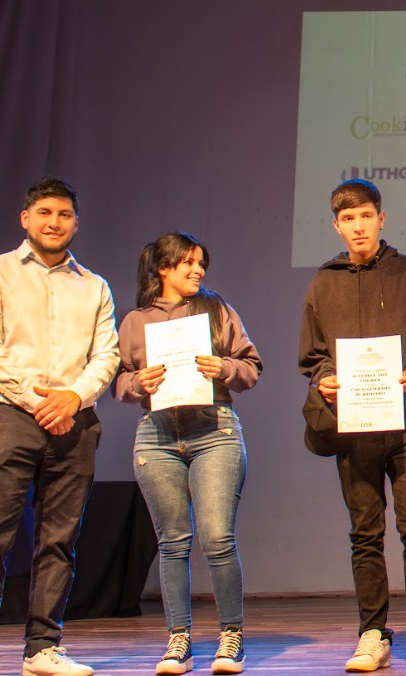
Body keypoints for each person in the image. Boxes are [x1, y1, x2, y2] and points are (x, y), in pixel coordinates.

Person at [0, 177, 119, 676]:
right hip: (9, 415)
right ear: (25, 218)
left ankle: (42, 648)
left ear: (76, 223)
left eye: (64, 214)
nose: (54, 222)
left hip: (75, 421)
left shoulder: (94, 286)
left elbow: (107, 355)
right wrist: (38, 401)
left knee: (59, 540)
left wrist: (72, 398)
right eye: (45, 212)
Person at [298, 179, 406, 672]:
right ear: (336, 226)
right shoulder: (324, 283)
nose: (358, 226)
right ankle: (372, 634)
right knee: (365, 534)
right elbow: (313, 355)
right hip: (355, 426)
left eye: (366, 216)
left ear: (381, 218)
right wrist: (325, 378)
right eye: (348, 219)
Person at [113, 233, 261, 674]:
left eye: (201, 264)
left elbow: (252, 366)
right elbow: (118, 380)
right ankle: (179, 639)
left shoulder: (217, 310)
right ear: (163, 268)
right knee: (173, 542)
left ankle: (231, 636)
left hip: (213, 429)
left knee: (216, 538)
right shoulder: (136, 321)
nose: (198, 271)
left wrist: (225, 367)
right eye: (188, 263)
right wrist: (137, 383)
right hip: (157, 435)